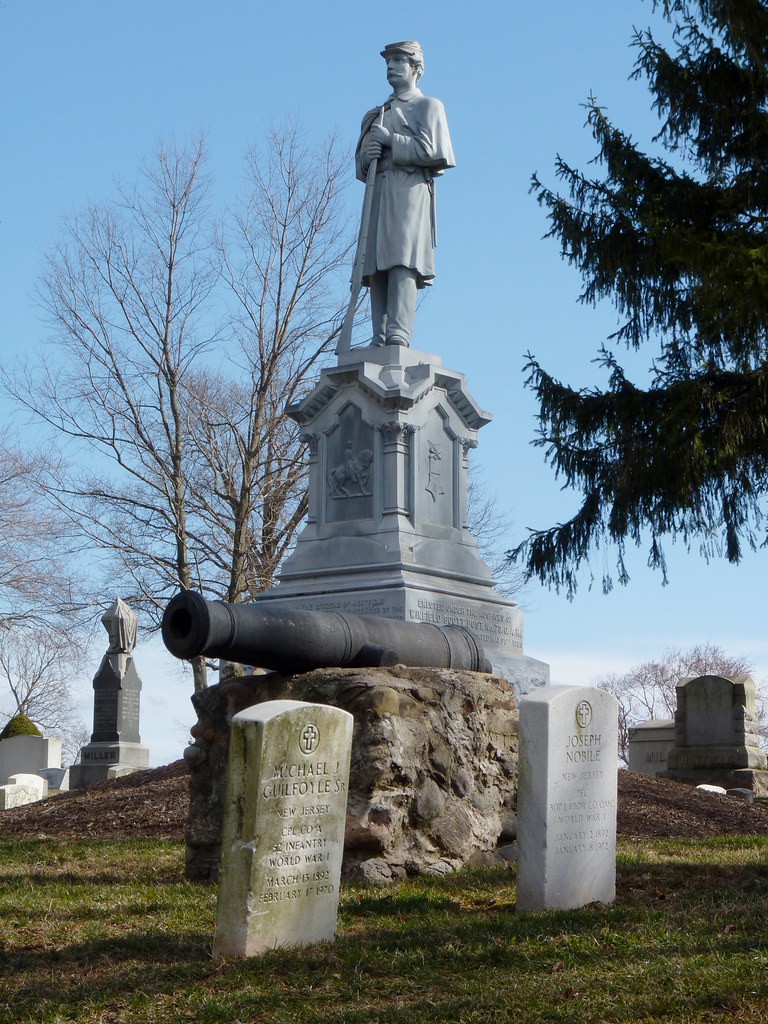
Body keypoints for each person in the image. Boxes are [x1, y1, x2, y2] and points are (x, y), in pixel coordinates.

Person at [355, 41, 455, 347]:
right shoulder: (376, 113)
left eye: (398, 59)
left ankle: (398, 332)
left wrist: (391, 141)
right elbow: (360, 166)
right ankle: (379, 335)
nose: (390, 65)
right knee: (373, 262)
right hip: (379, 189)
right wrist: (368, 154)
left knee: (402, 258)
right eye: (388, 60)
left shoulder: (428, 106)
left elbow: (435, 152)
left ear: (415, 66)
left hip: (409, 189)